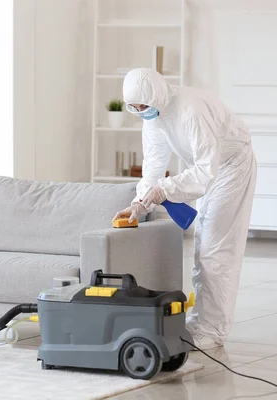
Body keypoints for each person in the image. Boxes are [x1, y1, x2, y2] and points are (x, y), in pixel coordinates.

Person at [113, 68, 257, 350]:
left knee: (215, 250)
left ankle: (213, 329)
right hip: (213, 169)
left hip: (232, 166)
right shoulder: (153, 116)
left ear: (155, 95)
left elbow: (205, 170)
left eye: (143, 106)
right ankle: (200, 322)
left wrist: (165, 189)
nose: (141, 111)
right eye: (135, 108)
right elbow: (154, 165)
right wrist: (137, 205)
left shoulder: (191, 109)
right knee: (202, 245)